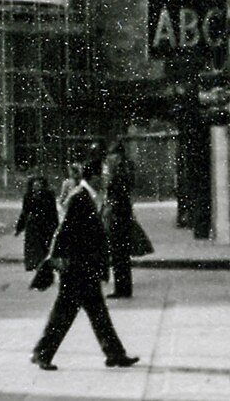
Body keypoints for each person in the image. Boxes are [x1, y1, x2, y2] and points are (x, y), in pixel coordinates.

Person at [31, 158, 139, 371]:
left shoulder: (90, 196)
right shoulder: (79, 197)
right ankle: (43, 353)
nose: (107, 178)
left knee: (97, 313)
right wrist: (54, 258)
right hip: (76, 267)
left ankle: (115, 354)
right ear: (95, 176)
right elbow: (63, 230)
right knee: (66, 313)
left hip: (86, 266)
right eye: (104, 174)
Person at [104, 140, 136, 299]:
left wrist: (110, 208)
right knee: (120, 255)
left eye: (112, 154)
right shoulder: (123, 171)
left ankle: (122, 288)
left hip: (119, 216)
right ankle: (123, 287)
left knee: (119, 254)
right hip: (122, 215)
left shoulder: (119, 174)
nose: (110, 158)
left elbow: (117, 196)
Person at [14, 174, 60, 271]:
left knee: (45, 245)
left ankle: (43, 264)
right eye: (35, 185)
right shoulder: (28, 196)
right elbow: (24, 212)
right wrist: (19, 228)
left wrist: (55, 225)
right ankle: (34, 264)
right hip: (33, 225)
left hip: (46, 223)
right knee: (33, 246)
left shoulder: (49, 195)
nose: (37, 187)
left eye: (39, 185)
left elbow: (53, 210)